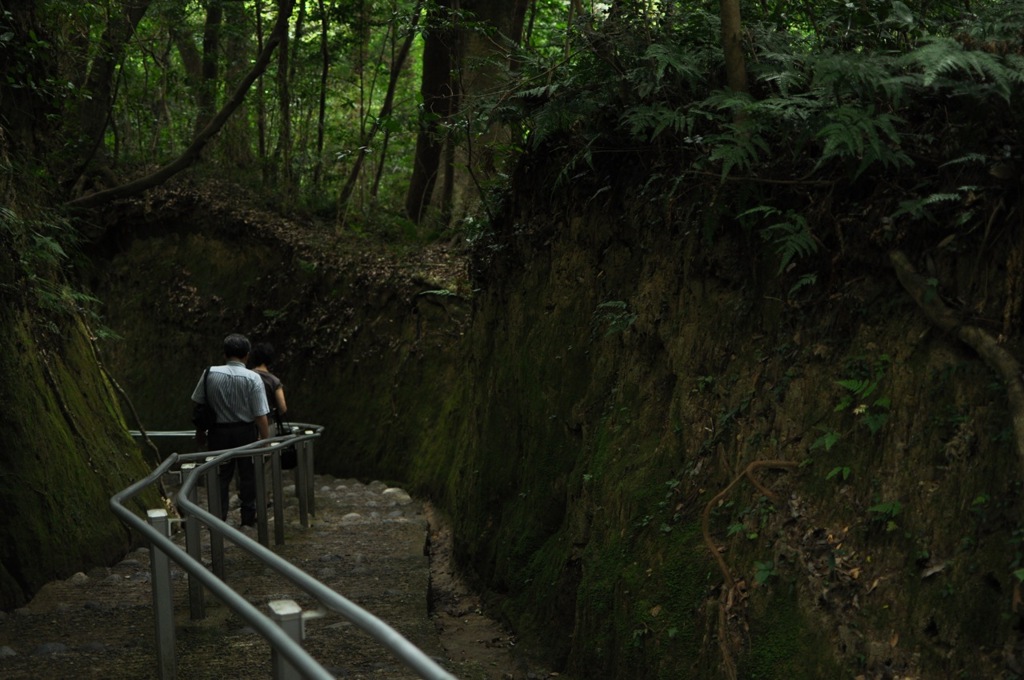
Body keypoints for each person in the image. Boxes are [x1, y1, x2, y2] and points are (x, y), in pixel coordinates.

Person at [191, 333, 270, 526]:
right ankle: (248, 516)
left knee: (220, 476)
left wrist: (200, 433)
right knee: (247, 475)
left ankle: (218, 516)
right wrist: (265, 440)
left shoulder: (209, 373)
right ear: (247, 355)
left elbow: (198, 405)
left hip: (218, 433)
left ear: (225, 354)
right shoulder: (253, 378)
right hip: (245, 433)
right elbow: (260, 415)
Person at [247, 342, 288, 434]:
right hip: (267, 424)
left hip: (247, 424)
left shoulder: (246, 376)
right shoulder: (274, 381)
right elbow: (283, 408)